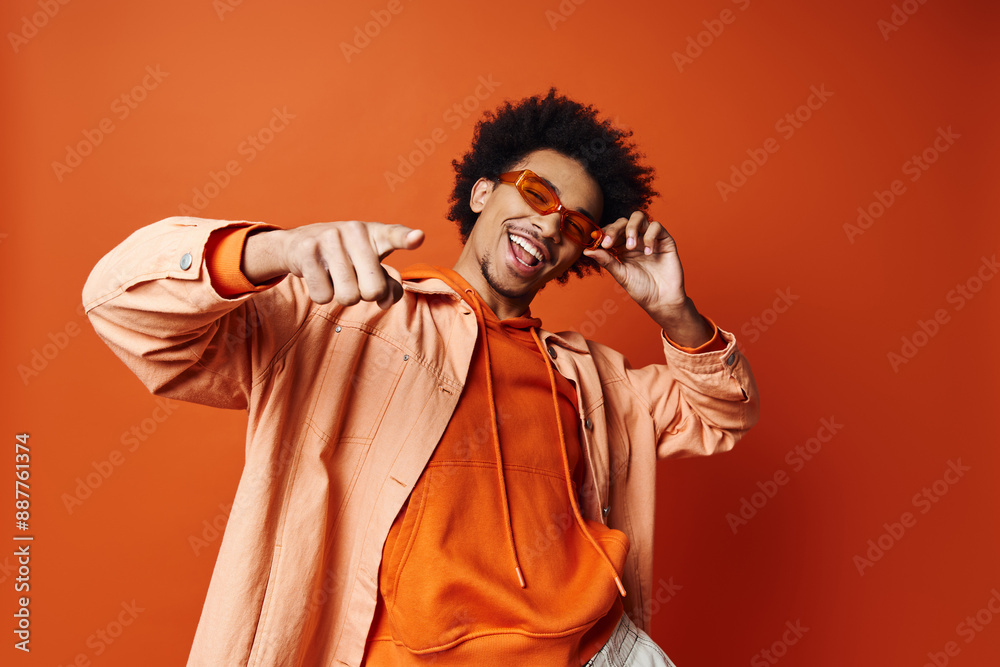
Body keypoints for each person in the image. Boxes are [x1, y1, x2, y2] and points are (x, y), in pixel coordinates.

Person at [83, 89, 759, 666]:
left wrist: (674, 309)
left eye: (575, 223)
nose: (550, 223)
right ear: (484, 191)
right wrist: (274, 250)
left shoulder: (591, 378)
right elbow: (122, 306)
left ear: (576, 255)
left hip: (599, 651)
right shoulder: (341, 315)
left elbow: (723, 413)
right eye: (537, 192)